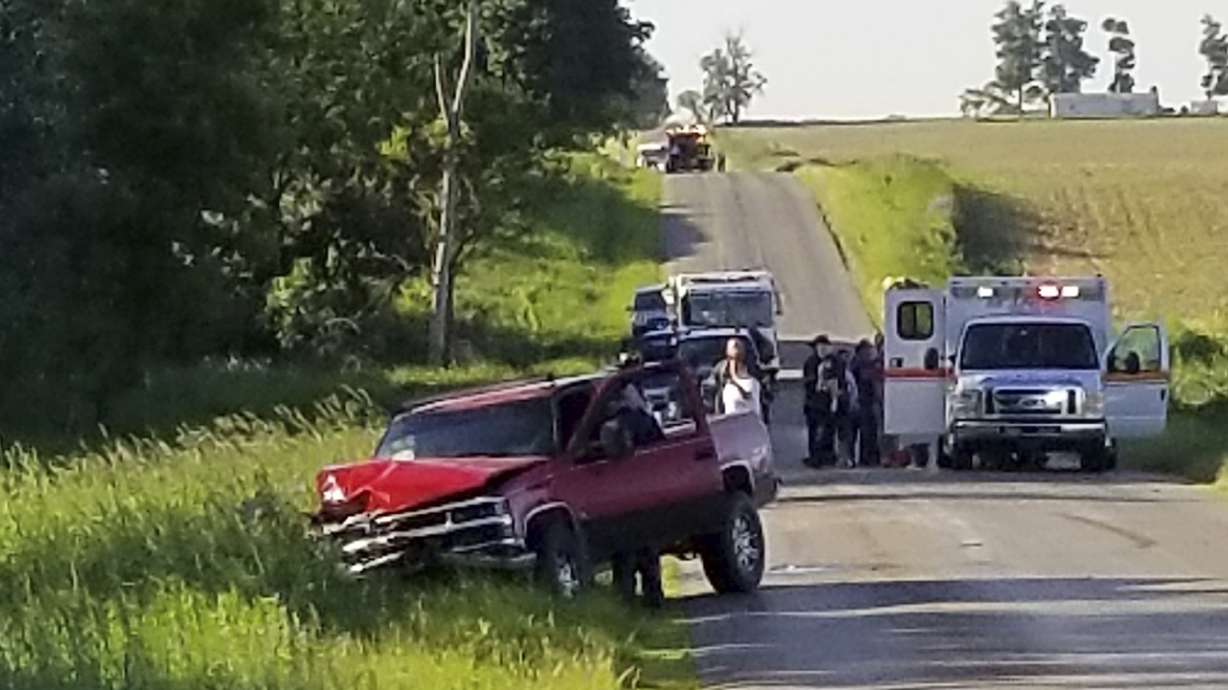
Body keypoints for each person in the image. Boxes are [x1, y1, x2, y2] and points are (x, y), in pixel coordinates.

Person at [710, 338, 762, 417]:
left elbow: (750, 395)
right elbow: (716, 391)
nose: (736, 347)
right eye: (734, 346)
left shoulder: (751, 369)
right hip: (731, 422)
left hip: (751, 422)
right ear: (727, 351)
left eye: (738, 345)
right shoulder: (722, 368)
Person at [802, 335, 834, 466]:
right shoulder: (811, 362)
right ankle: (816, 456)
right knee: (815, 431)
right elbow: (807, 381)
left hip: (825, 401)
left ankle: (825, 455)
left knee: (826, 430)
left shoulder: (831, 362)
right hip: (814, 402)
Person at [850, 339, 882, 467]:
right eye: (867, 351)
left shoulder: (867, 364)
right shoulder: (858, 366)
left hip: (868, 401)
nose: (869, 354)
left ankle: (868, 457)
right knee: (865, 431)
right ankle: (865, 458)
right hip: (862, 401)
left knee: (869, 432)